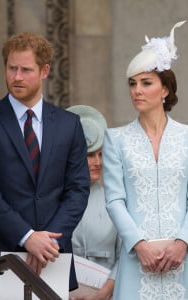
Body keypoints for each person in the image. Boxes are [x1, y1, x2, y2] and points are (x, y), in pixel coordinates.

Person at [102, 21, 188, 299]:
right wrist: (138, 244)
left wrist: (182, 243)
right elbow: (114, 200)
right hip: (136, 259)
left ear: (165, 90)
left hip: (182, 259)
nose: (137, 90)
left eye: (146, 83)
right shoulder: (116, 139)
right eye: (132, 83)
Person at [0, 32, 90, 299]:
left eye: (26, 70)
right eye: (12, 68)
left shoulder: (69, 124)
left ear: (45, 70)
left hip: (53, 259)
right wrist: (27, 237)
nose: (17, 77)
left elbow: (78, 189)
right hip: (0, 257)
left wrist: (49, 243)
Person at [67, 105, 121, 300]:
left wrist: (103, 294)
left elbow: (127, 255)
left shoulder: (115, 199)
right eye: (90, 155)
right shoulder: (51, 200)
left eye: (101, 154)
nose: (98, 162)